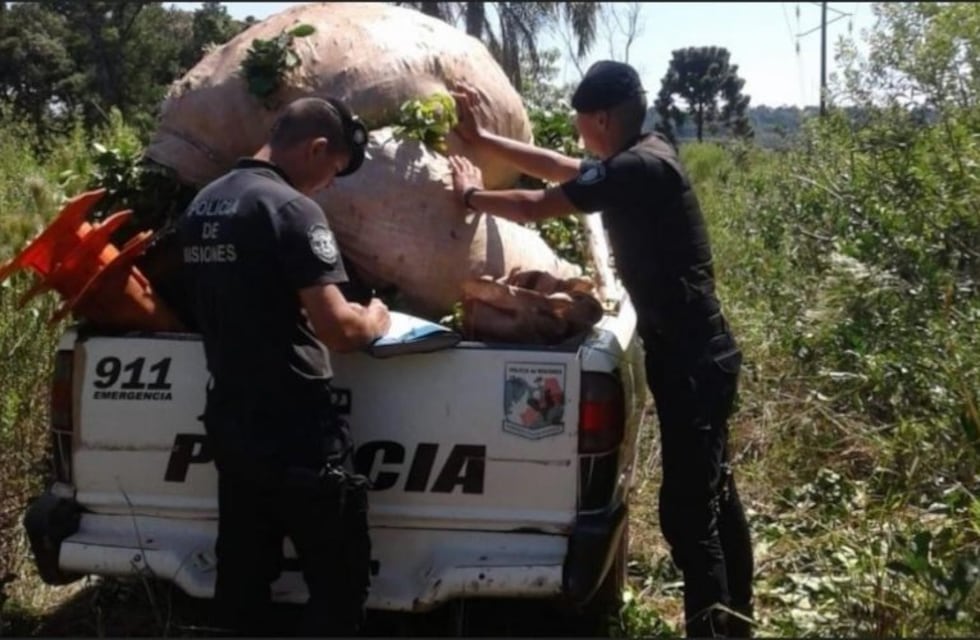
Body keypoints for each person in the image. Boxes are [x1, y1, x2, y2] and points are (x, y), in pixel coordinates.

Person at [446, 61, 755, 638]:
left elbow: (540, 203)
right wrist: (485, 140)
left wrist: (470, 194)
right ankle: (737, 619)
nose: (580, 132)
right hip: (696, 355)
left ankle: (716, 629)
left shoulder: (640, 168)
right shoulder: (645, 156)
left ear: (602, 118)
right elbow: (571, 171)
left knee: (689, 516)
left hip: (692, 361)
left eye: (582, 121)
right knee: (714, 493)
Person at [177, 96, 391, 637]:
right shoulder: (291, 210)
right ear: (317, 148)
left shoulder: (204, 204)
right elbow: (339, 331)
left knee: (244, 576)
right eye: (333, 170)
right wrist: (376, 318)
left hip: (231, 415)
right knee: (337, 579)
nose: (328, 185)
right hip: (296, 426)